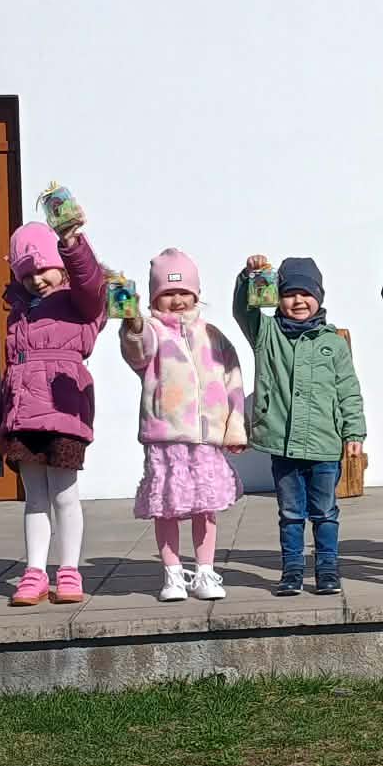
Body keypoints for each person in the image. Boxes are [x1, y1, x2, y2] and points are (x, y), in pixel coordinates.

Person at [234, 254, 365, 597]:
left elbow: (348, 390)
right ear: (278, 297)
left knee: (325, 512)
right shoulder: (267, 333)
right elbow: (242, 311)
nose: (298, 301)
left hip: (325, 445)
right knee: (291, 513)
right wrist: (249, 277)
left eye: (306, 293)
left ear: (319, 297)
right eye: (289, 293)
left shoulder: (333, 342)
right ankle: (291, 570)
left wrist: (354, 432)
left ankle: (327, 569)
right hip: (283, 444)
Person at [122, 249, 248, 602]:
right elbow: (137, 351)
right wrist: (132, 324)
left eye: (184, 292)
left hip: (206, 439)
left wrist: (235, 426)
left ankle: (205, 571)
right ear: (154, 298)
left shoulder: (213, 335)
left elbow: (233, 381)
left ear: (196, 294)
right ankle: (173, 574)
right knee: (167, 507)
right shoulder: (151, 332)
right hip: (167, 438)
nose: (177, 300)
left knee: (205, 508)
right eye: (168, 293)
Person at [0, 219, 107, 605]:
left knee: (64, 493)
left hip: (63, 407)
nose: (36, 280)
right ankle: (35, 572)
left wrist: (72, 242)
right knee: (35, 497)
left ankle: (69, 570)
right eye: (26, 274)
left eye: (42, 269)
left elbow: (90, 280)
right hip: (24, 410)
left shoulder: (80, 300)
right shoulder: (19, 309)